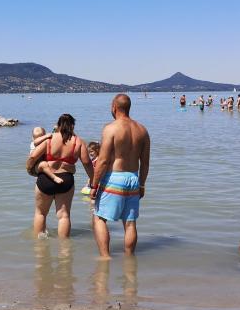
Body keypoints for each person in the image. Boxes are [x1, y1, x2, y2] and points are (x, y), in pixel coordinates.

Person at [90, 94, 150, 259]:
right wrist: (142, 185)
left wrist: (94, 186)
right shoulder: (142, 130)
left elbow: (102, 161)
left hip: (114, 178)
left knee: (99, 218)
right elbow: (145, 163)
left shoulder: (111, 128)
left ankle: (105, 257)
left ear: (114, 107)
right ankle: (129, 259)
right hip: (133, 179)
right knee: (130, 223)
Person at [26, 114, 94, 238]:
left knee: (40, 213)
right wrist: (94, 183)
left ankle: (40, 248)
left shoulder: (49, 139)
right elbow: (87, 163)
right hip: (66, 181)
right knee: (64, 216)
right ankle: (64, 250)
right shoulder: (78, 142)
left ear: (58, 125)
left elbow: (32, 157)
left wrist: (30, 169)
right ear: (72, 126)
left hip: (45, 179)